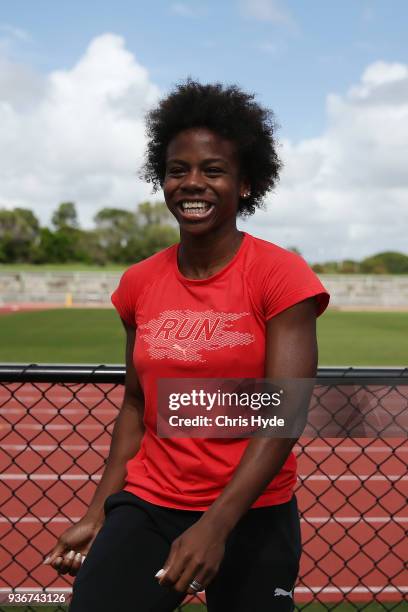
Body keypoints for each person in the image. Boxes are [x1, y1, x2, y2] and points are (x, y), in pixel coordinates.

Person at [43, 80, 330, 611]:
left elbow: (281, 414)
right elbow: (136, 403)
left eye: (213, 170)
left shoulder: (280, 276)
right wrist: (101, 510)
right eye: (179, 170)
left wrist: (215, 526)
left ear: (246, 184)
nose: (192, 183)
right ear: (163, 179)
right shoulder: (139, 283)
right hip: (150, 502)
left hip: (252, 510)